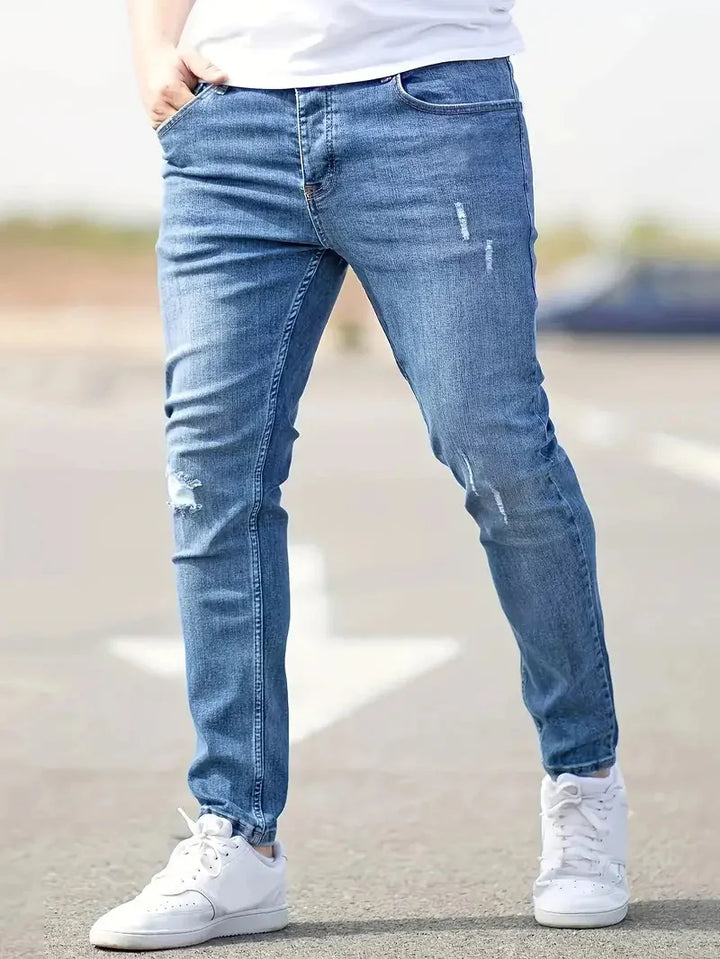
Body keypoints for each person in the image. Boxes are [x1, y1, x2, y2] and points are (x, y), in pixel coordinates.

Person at [90, 0, 629, 949]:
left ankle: (583, 779)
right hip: (228, 122)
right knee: (211, 476)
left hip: (431, 105)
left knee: (496, 450)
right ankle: (237, 835)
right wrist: (149, 49)